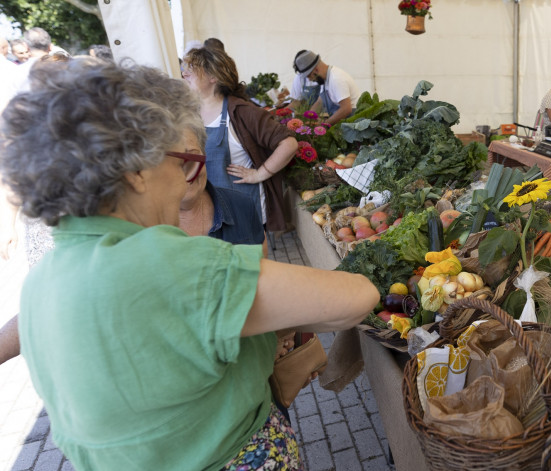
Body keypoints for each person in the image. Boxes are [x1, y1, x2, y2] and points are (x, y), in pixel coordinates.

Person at [0, 57, 378, 469]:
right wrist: (268, 321)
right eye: (178, 163)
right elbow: (357, 297)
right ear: (136, 172)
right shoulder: (176, 265)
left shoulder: (40, 283)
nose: (186, 179)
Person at [182, 46, 298, 233]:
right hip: (207, 213)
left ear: (213, 77)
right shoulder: (189, 113)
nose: (185, 74)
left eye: (192, 70)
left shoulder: (241, 112)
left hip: (243, 214)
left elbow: (289, 143)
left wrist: (260, 174)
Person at [290, 49, 360, 126]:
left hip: (352, 123)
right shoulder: (325, 79)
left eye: (309, 76)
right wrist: (307, 118)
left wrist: (323, 125)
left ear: (316, 70)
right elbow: (320, 102)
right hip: (342, 122)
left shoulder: (336, 79)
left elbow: (346, 109)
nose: (309, 79)